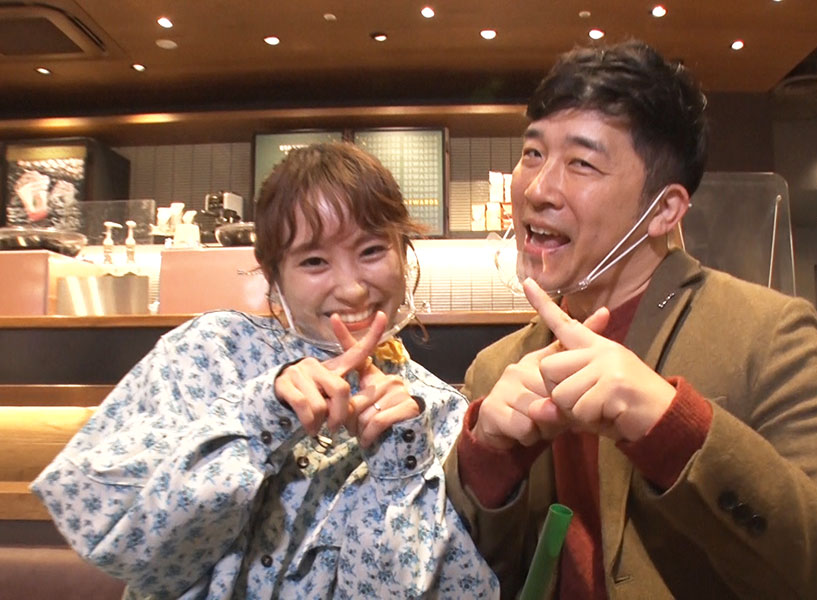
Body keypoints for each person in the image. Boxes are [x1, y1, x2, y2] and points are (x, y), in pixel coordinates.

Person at [444, 40, 817, 598]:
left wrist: (678, 429)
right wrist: (487, 460)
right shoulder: (497, 369)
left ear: (664, 210)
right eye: (533, 154)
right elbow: (468, 575)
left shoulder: (768, 336)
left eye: (582, 163)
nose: (537, 189)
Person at [32, 142, 499, 599]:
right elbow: (130, 549)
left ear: (404, 252)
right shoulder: (210, 352)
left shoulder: (441, 414)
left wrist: (399, 463)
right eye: (314, 261)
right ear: (274, 275)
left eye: (372, 250)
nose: (352, 288)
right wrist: (259, 415)